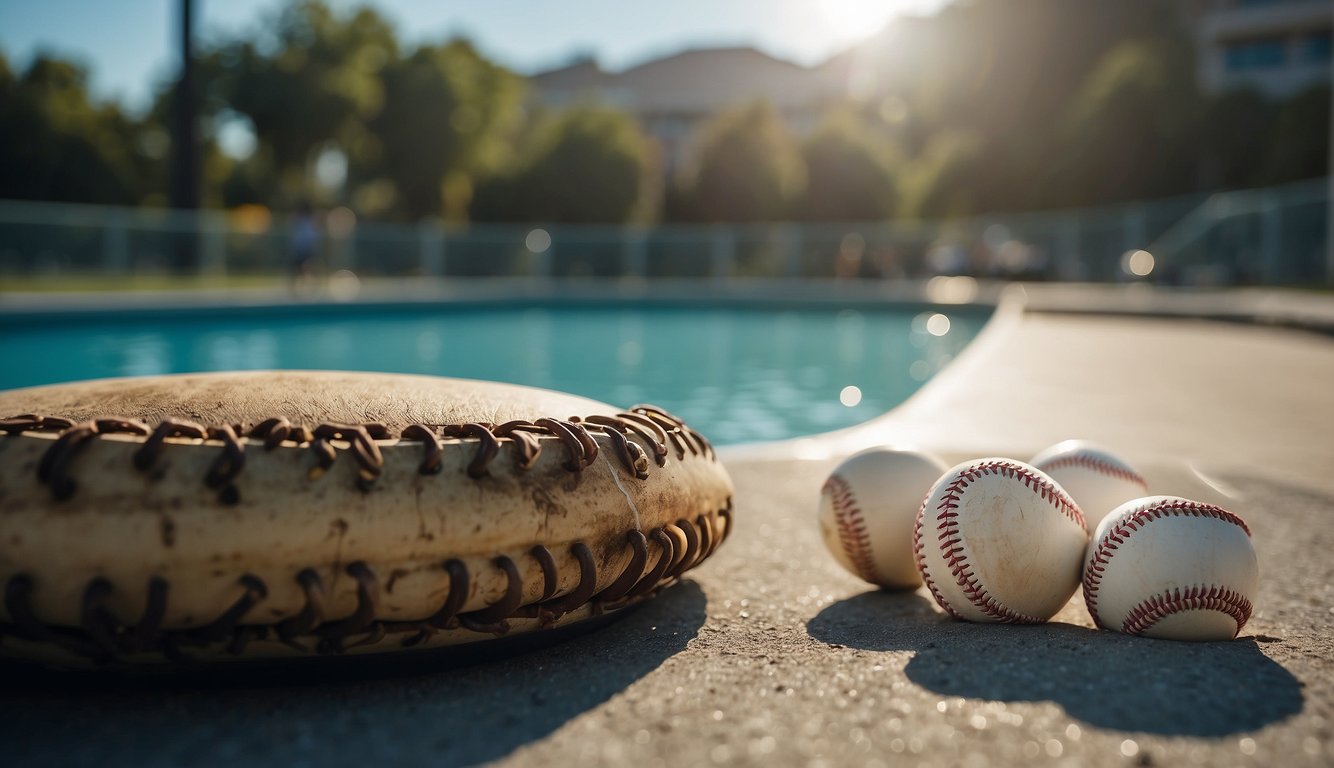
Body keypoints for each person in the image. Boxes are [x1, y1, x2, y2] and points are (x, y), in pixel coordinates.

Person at [289, 201, 319, 294]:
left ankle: (312, 287)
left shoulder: (310, 220)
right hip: (300, 248)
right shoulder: (300, 220)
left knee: (307, 268)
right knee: (297, 269)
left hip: (306, 248)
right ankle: (294, 289)